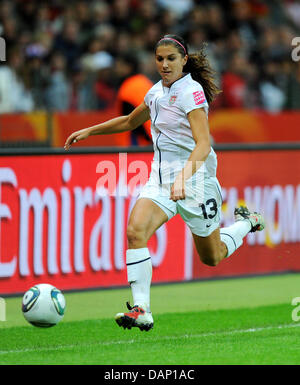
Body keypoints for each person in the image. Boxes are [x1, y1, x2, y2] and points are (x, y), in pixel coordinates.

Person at [64, 34, 265, 332]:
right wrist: (89, 131)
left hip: (195, 182)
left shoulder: (191, 92)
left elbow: (203, 145)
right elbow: (129, 122)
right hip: (160, 182)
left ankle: (248, 222)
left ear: (184, 60)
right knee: (135, 231)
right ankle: (142, 309)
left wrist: (184, 178)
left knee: (213, 256)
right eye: (160, 59)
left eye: (171, 58)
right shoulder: (155, 92)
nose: (164, 64)